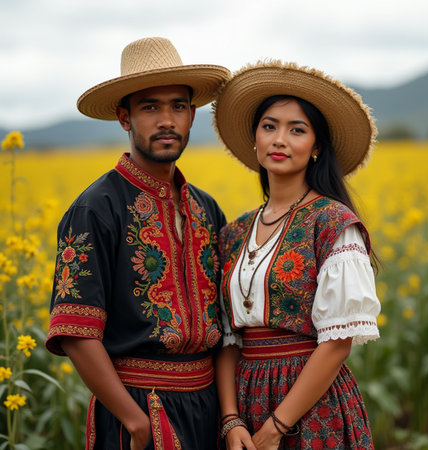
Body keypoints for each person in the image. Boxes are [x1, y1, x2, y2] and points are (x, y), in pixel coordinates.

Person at [45, 37, 230, 450]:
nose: (167, 120)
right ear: (124, 117)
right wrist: (135, 422)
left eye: (178, 106)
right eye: (150, 107)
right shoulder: (95, 209)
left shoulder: (207, 208)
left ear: (193, 115)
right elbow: (76, 331)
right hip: (138, 410)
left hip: (209, 408)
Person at [213, 61, 382, 449]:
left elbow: (337, 342)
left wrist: (275, 429)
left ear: (317, 147)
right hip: (244, 404)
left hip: (312, 409)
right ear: (255, 139)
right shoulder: (233, 233)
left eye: (297, 130)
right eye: (269, 126)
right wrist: (230, 420)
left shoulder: (333, 223)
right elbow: (227, 339)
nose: (279, 139)